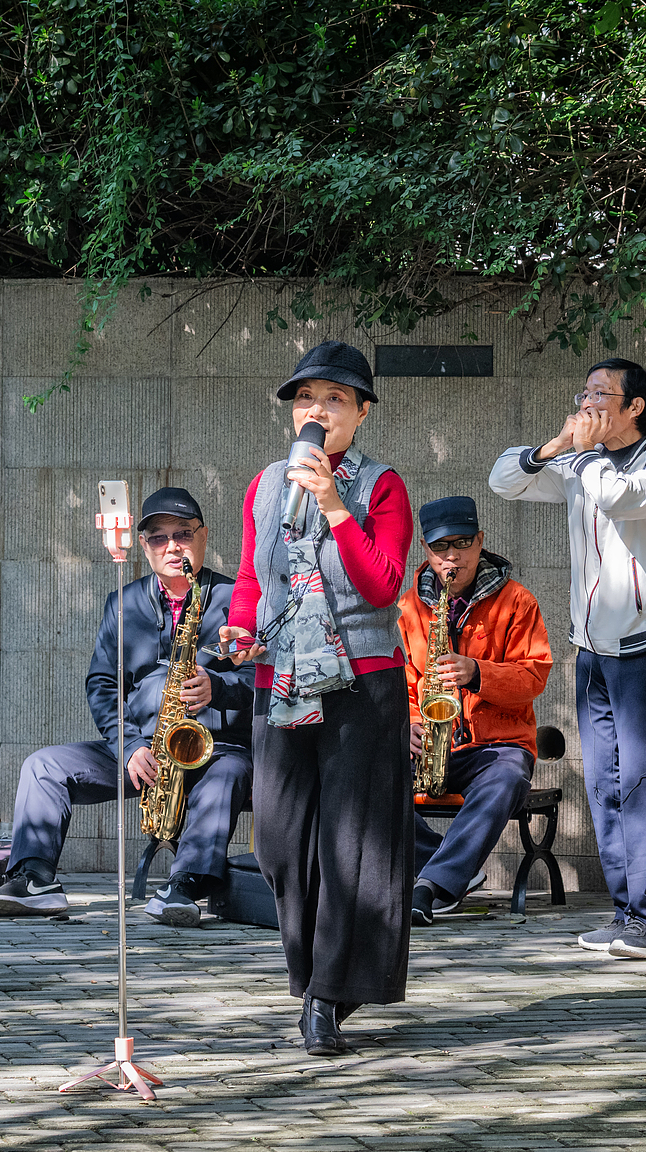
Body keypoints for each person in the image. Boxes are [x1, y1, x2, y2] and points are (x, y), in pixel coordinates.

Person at [220, 340, 414, 1056]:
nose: (317, 410)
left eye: (334, 399)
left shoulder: (381, 486)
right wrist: (240, 628)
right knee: (277, 837)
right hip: (282, 678)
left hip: (364, 682)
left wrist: (336, 507)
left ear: (360, 413)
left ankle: (328, 994)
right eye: (307, 399)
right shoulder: (266, 485)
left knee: (352, 843)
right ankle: (316, 974)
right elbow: (251, 576)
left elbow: (382, 584)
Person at [0, 487, 255, 927]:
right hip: (144, 749)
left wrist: (218, 688)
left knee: (230, 772)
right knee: (43, 766)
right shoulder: (123, 604)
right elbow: (103, 683)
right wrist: (127, 746)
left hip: (216, 748)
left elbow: (268, 677)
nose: (172, 546)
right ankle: (34, 878)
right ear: (144, 547)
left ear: (204, 537)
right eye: (159, 538)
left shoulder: (239, 599)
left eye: (183, 533)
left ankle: (186, 884)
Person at [489, 358, 646, 961]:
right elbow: (505, 480)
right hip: (591, 652)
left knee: (638, 781)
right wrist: (556, 446)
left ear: (636, 408)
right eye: (584, 393)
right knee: (601, 783)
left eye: (603, 395)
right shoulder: (579, 463)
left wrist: (586, 453)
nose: (588, 403)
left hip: (643, 648)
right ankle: (626, 912)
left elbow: (620, 498)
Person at [399, 496, 553, 926]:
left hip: (497, 745)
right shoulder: (409, 607)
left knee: (507, 776)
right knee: (364, 779)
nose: (452, 557)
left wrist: (477, 672)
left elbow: (534, 677)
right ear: (426, 552)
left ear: (481, 542)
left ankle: (434, 887)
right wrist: (410, 722)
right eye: (439, 547)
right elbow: (406, 682)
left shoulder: (518, 601)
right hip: (432, 745)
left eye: (463, 543)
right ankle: (450, 866)